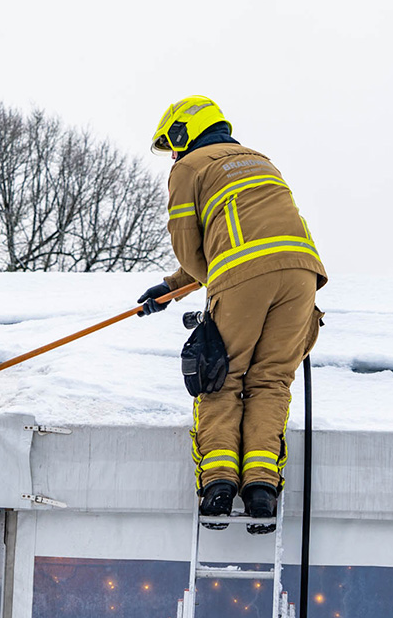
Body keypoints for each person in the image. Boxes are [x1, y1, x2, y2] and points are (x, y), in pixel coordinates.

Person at [137, 96, 326, 533]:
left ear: (183, 133)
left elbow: (190, 245)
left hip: (243, 277)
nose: (174, 154)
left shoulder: (189, 168)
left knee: (220, 377)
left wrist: (214, 282)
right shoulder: (261, 161)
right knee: (271, 380)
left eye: (172, 145)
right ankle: (262, 488)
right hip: (302, 275)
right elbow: (246, 236)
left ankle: (219, 484)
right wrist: (170, 289)